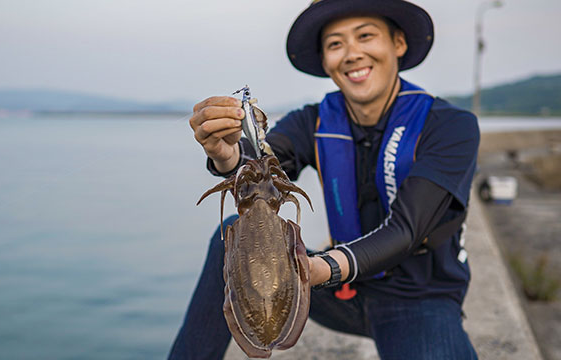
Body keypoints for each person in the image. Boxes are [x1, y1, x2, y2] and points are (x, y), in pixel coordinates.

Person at [169, 0, 480, 359]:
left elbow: (408, 229)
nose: (351, 53)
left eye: (365, 36)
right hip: (340, 294)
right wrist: (226, 154)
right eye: (335, 44)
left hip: (418, 300)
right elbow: (260, 170)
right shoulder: (311, 122)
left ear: (398, 43)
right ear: (325, 60)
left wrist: (322, 268)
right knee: (229, 235)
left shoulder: (450, 126)